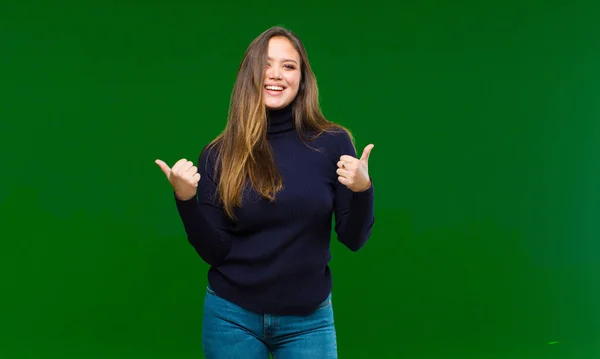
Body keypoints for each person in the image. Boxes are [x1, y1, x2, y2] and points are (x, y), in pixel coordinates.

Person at [155, 26, 375, 359]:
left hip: (309, 321)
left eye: (289, 66)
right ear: (250, 75)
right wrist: (186, 200)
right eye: (266, 64)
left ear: (302, 79)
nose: (275, 75)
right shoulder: (219, 154)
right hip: (232, 317)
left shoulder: (333, 144)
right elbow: (215, 251)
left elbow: (353, 239)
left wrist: (363, 190)